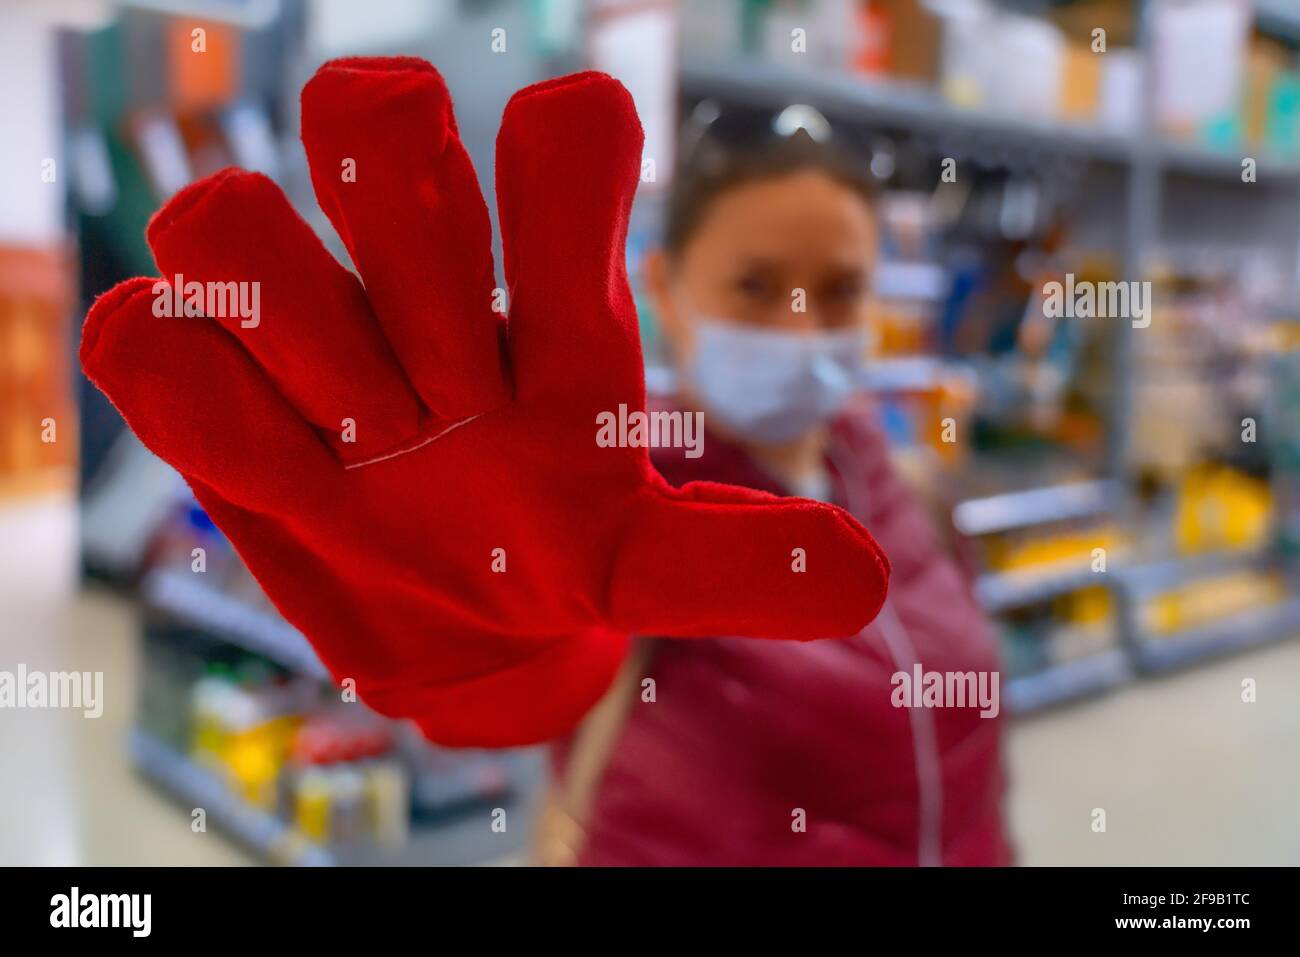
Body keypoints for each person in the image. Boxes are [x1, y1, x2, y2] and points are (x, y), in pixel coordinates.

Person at [537, 106, 1012, 866]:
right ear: (664, 286)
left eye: (839, 290)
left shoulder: (901, 485)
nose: (800, 330)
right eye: (756, 287)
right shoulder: (622, 513)